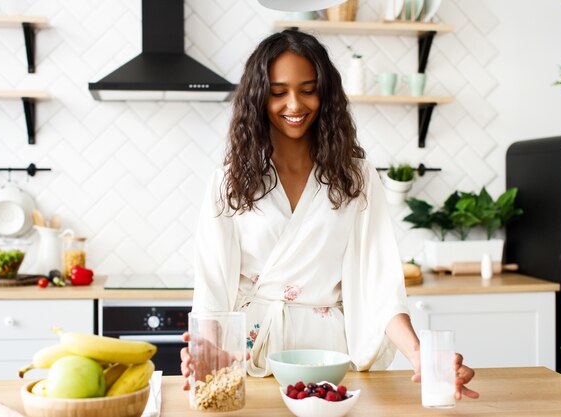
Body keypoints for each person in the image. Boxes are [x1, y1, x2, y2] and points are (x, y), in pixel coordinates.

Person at [180, 29, 478, 400]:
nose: (294, 104)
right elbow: (212, 283)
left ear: (326, 92)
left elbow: (380, 282)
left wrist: (421, 357)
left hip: (330, 360)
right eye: (277, 92)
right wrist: (208, 354)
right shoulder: (230, 180)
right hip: (251, 357)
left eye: (308, 89)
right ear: (258, 97)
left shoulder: (355, 176)